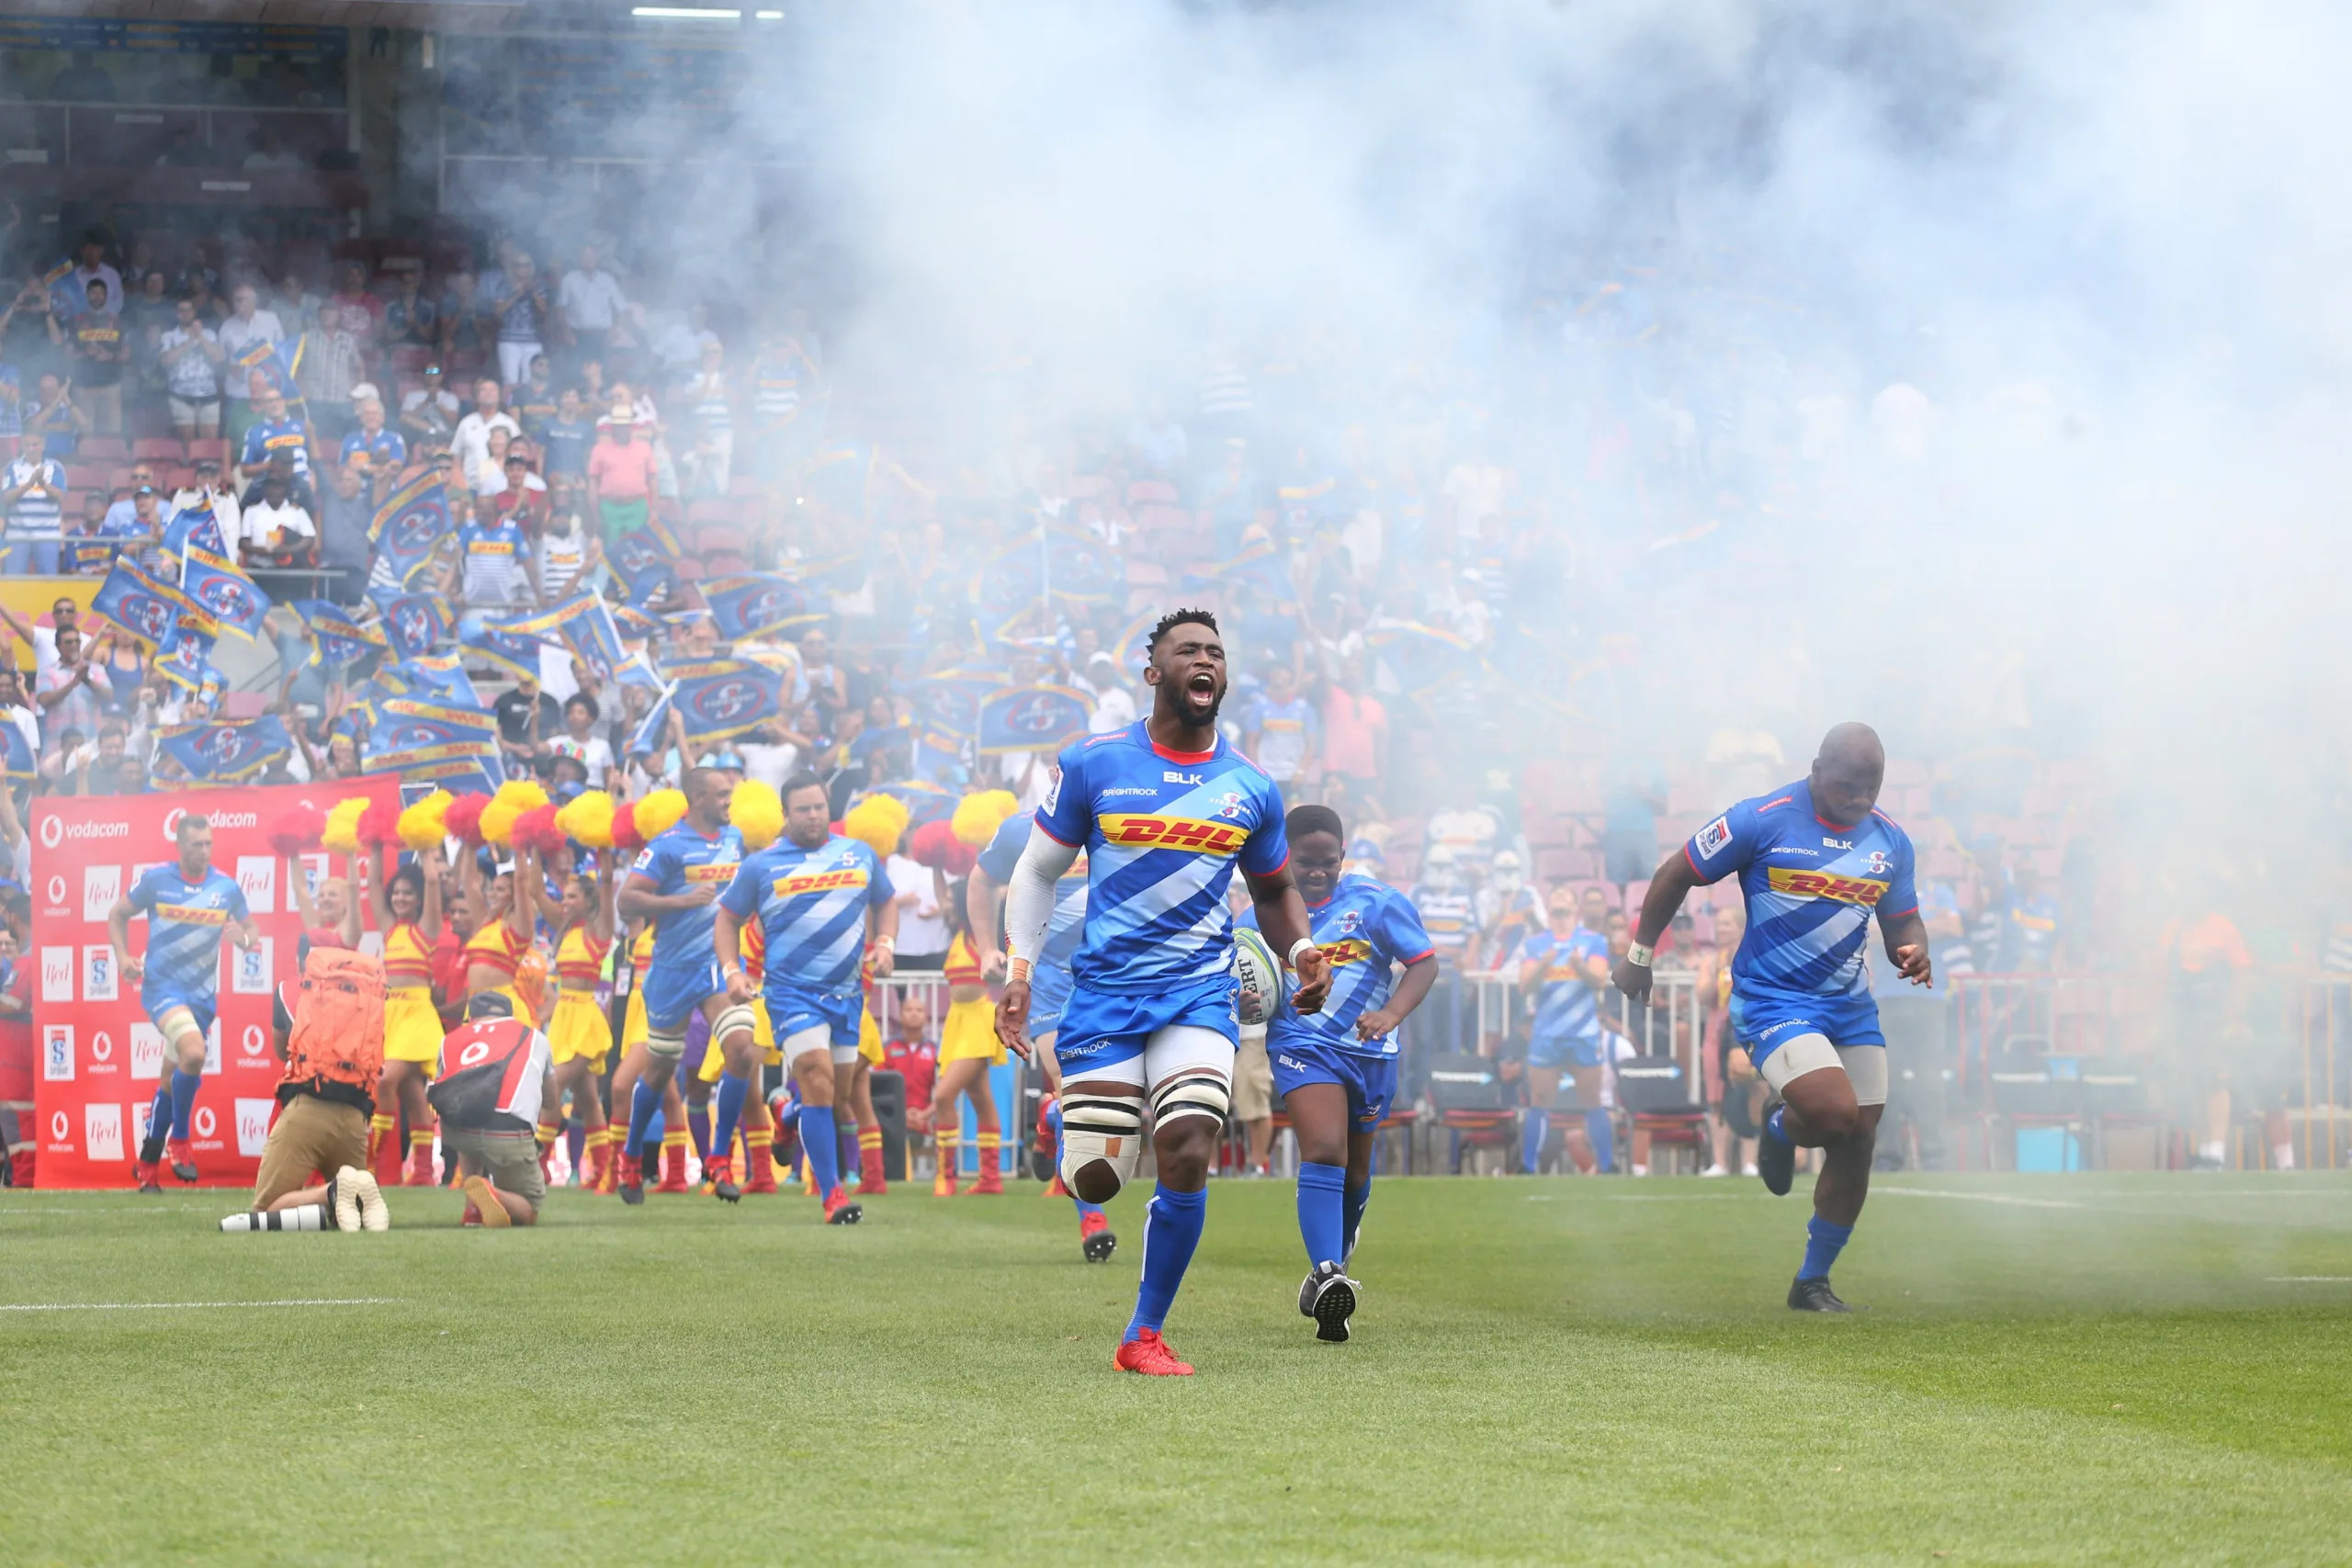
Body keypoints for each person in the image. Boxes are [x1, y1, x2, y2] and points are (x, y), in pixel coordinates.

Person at [994, 608, 1331, 1375]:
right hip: (1105, 995)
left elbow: (1275, 890)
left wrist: (1303, 948)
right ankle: (1066, 1121)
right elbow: (1038, 870)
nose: (1205, 660)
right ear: (1155, 672)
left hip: (1199, 992)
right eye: (1188, 651)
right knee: (1097, 1174)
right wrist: (1018, 971)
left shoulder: (1251, 785)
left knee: (1187, 1143)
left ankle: (1142, 1333)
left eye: (1216, 651)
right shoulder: (1094, 762)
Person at [1612, 723, 1931, 1313]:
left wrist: (1914, 950)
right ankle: (1780, 1126)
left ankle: (1811, 1282)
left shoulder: (1890, 840)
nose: (1860, 798)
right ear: (1816, 770)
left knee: (1858, 1139)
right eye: (1848, 786)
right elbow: (1675, 873)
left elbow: (1902, 922)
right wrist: (1639, 955)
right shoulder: (1759, 819)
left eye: (1872, 787)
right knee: (1833, 1114)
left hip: (1850, 1005)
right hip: (1773, 1000)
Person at [1242, 803, 1435, 1341]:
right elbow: (1235, 981)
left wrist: (1391, 1014)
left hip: (1371, 1054)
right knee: (1326, 1150)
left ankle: (1331, 1275)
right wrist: (1243, 1000)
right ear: (1283, 858)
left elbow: (1424, 963)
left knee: (1354, 1174)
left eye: (1329, 861)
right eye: (1305, 862)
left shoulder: (1375, 903)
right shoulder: (1260, 918)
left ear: (1343, 856)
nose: (1318, 871)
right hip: (1302, 1047)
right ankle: (1328, 1271)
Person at [711, 772, 898, 1217]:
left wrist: (886, 944)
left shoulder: (859, 853)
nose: (813, 816)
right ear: (785, 814)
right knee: (815, 1075)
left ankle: (788, 1114)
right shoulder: (761, 865)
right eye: (803, 809)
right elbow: (727, 919)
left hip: (848, 995)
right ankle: (832, 1196)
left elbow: (886, 900)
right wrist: (732, 971)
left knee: (835, 1097)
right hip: (791, 994)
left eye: (819, 807)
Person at [971, 770, 1115, 1259]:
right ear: (1055, 777)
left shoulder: (1124, 821)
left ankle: (1049, 1118)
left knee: (1113, 1100)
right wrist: (986, 948)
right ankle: (1092, 1220)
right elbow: (980, 879)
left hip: (1110, 977)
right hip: (1047, 977)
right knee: (1073, 1088)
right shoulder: (1021, 829)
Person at [612, 769, 747, 1202]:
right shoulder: (667, 846)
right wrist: (681, 900)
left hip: (718, 964)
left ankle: (718, 1159)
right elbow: (626, 900)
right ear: (697, 798)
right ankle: (632, 1157)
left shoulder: (737, 838)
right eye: (721, 794)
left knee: (743, 1049)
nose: (729, 801)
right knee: (659, 1071)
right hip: (673, 971)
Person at [110, 813, 260, 1190]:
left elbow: (252, 930)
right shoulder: (156, 879)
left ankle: (147, 1167)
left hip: (202, 999)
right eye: (196, 845)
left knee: (170, 1079)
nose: (204, 851)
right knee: (193, 1054)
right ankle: (179, 1140)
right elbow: (117, 914)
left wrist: (243, 939)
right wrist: (122, 957)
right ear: (179, 846)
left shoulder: (226, 887)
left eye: (209, 844)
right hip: (162, 989)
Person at [220, 945, 392, 1233]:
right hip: (356, 1115)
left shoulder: (290, 989)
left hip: (309, 1108)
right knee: (349, 1215)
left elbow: (282, 1050)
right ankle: (354, 1192)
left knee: (266, 1211)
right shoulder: (364, 993)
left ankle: (333, 1190)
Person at [426, 993, 557, 1227]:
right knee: (528, 1209)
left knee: (468, 1110)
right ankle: (491, 1191)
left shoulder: (449, 1040)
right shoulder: (534, 1037)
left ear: (471, 1017)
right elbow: (551, 1101)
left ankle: (472, 1207)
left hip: (457, 1133)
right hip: (509, 1133)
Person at [526, 856, 616, 1190]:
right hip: (564, 1016)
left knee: (553, 1085)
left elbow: (607, 884)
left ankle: (539, 1164)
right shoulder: (563, 926)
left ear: (589, 901)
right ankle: (605, 1170)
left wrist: (604, 853)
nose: (565, 902)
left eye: (572, 897)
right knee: (588, 1098)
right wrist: (533, 849)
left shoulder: (599, 929)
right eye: (564, 897)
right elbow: (537, 891)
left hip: (585, 1019)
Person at [1517, 886, 1616, 1175]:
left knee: (1592, 1100)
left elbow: (1598, 980)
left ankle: (1608, 1166)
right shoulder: (1536, 944)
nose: (1560, 901)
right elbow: (1524, 986)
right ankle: (1527, 1166)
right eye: (1556, 898)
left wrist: (1578, 966)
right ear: (1548, 910)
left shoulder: (1593, 941)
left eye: (1565, 898)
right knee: (1540, 1099)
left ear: (1575, 909)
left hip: (1583, 1032)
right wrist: (1544, 965)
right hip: (1547, 1032)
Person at [368, 852, 446, 1187]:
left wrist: (425, 848)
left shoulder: (427, 929)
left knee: (385, 1081)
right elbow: (373, 884)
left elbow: (432, 880)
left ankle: (371, 1162)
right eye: (397, 892)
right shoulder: (390, 930)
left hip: (418, 1016)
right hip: (392, 1016)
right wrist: (374, 847)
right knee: (413, 1093)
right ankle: (423, 1172)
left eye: (408, 893)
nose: (400, 898)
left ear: (419, 899)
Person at [927, 894, 1003, 1195]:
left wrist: (981, 886)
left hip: (978, 1021)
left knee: (943, 1095)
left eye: (950, 899)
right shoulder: (957, 934)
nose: (944, 903)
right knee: (981, 1098)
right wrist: (936, 868)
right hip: (957, 1021)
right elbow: (943, 891)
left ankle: (946, 1176)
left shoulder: (978, 933)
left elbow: (991, 895)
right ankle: (990, 1178)